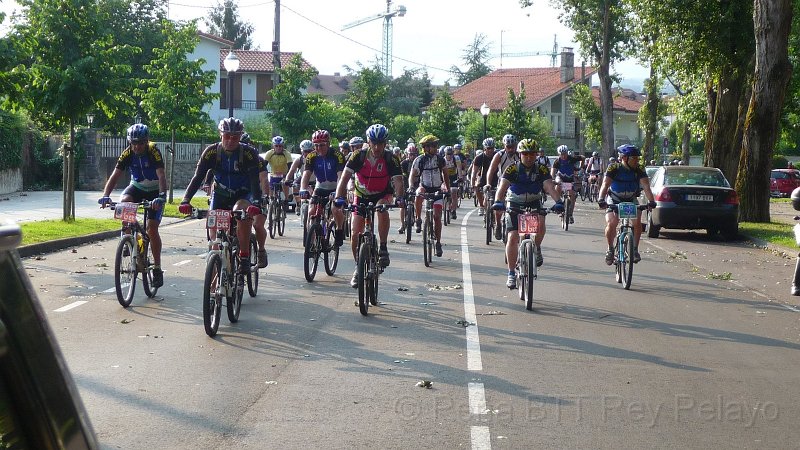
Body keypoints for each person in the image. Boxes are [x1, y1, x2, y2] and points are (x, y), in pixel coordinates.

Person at [178, 118, 264, 271]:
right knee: (215, 240)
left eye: (235, 137)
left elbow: (254, 180)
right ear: (220, 135)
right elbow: (198, 177)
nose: (231, 140)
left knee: (241, 212)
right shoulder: (211, 152)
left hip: (243, 193)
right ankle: (216, 265)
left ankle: (244, 256)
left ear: (240, 136)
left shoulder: (249, 153)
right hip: (220, 193)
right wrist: (186, 200)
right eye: (227, 136)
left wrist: (256, 203)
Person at [98, 123, 168, 288]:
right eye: (134, 143)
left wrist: (162, 197)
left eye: (141, 143)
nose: (137, 146)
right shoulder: (127, 154)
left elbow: (161, 175)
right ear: (130, 142)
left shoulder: (154, 151)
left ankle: (157, 267)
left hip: (154, 191)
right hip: (136, 187)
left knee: (152, 228)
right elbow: (115, 175)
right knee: (124, 205)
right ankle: (128, 239)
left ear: (146, 141)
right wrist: (106, 195)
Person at [335, 124, 404, 288]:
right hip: (361, 195)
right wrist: (339, 197)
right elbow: (344, 178)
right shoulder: (357, 156)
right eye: (374, 142)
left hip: (382, 194)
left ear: (385, 143)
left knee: (382, 208)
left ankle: (384, 247)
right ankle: (358, 268)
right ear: (368, 141)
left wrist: (400, 197)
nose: (377, 147)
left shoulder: (390, 158)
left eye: (381, 143)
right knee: (355, 232)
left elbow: (398, 181)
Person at [492, 139, 563, 288]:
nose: (529, 157)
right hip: (514, 202)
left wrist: (559, 202)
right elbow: (502, 186)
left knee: (541, 223)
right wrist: (498, 201)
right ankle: (511, 273)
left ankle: (536, 247)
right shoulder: (512, 169)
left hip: (534, 201)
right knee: (512, 237)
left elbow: (549, 187)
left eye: (532, 154)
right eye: (525, 154)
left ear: (536, 155)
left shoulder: (542, 169)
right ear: (520, 154)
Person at [597, 144, 656, 265]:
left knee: (637, 222)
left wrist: (651, 201)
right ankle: (610, 248)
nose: (636, 160)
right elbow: (605, 184)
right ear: (624, 158)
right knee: (612, 222)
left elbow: (646, 186)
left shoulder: (639, 168)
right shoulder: (613, 168)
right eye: (634, 158)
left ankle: (634, 250)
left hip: (630, 199)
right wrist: (601, 199)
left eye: (637, 158)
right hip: (614, 199)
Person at [300, 130, 346, 247]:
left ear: (328, 144)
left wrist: (338, 192)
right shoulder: (311, 156)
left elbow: (341, 175)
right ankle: (312, 241)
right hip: (320, 187)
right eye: (316, 145)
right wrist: (302, 189)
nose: (319, 148)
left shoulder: (337, 155)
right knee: (311, 212)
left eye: (322, 145)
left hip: (336, 187)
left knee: (336, 210)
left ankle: (340, 230)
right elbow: (306, 175)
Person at [409, 134, 450, 257]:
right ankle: (418, 219)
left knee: (437, 217)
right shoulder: (419, 160)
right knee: (418, 193)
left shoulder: (440, 159)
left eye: (436, 145)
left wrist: (447, 188)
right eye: (434, 146)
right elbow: (412, 175)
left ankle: (438, 242)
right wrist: (411, 185)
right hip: (425, 187)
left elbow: (446, 175)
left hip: (437, 189)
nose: (436, 148)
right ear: (426, 148)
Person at [486, 134, 520, 240]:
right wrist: (488, 183)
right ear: (504, 146)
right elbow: (491, 170)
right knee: (498, 204)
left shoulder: (519, 155)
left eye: (513, 147)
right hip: (502, 183)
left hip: (516, 184)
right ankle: (498, 224)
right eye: (508, 147)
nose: (510, 149)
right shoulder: (499, 155)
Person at [551, 144, 585, 223]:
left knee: (572, 195)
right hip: (561, 177)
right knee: (558, 185)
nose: (563, 156)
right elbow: (553, 171)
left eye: (564, 154)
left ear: (567, 153)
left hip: (570, 179)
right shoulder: (557, 161)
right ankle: (559, 205)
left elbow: (583, 158)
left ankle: (570, 214)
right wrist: (552, 179)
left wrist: (580, 167)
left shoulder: (572, 158)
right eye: (561, 154)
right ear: (559, 154)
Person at [262, 136, 292, 211]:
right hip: (273, 174)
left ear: (283, 146)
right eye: (276, 146)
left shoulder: (286, 153)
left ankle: (286, 200)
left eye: (280, 146)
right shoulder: (269, 153)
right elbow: (263, 165)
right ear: (273, 146)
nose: (278, 148)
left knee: (285, 183)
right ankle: (271, 199)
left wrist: (290, 177)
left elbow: (290, 166)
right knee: (269, 183)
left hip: (284, 174)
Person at [471, 137, 496, 216]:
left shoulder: (497, 155)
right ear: (484, 148)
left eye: (492, 148)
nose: (490, 150)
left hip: (495, 178)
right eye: (488, 148)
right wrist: (472, 184)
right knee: (477, 186)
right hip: (483, 178)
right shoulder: (479, 158)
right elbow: (474, 172)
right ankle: (481, 206)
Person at [397, 143, 419, 233]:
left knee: (417, 202)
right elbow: (400, 177)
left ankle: (418, 220)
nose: (412, 156)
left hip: (417, 185)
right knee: (402, 205)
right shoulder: (403, 163)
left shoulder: (419, 162)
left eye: (414, 154)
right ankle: (402, 225)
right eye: (411, 154)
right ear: (407, 154)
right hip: (405, 185)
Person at [443, 146, 464, 219]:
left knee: (454, 192)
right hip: (444, 177)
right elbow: (440, 172)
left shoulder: (456, 158)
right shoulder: (443, 160)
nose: (449, 155)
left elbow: (459, 168)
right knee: (444, 191)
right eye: (447, 154)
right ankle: (445, 204)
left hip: (453, 177)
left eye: (451, 154)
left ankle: (453, 210)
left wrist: (460, 177)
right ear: (445, 154)